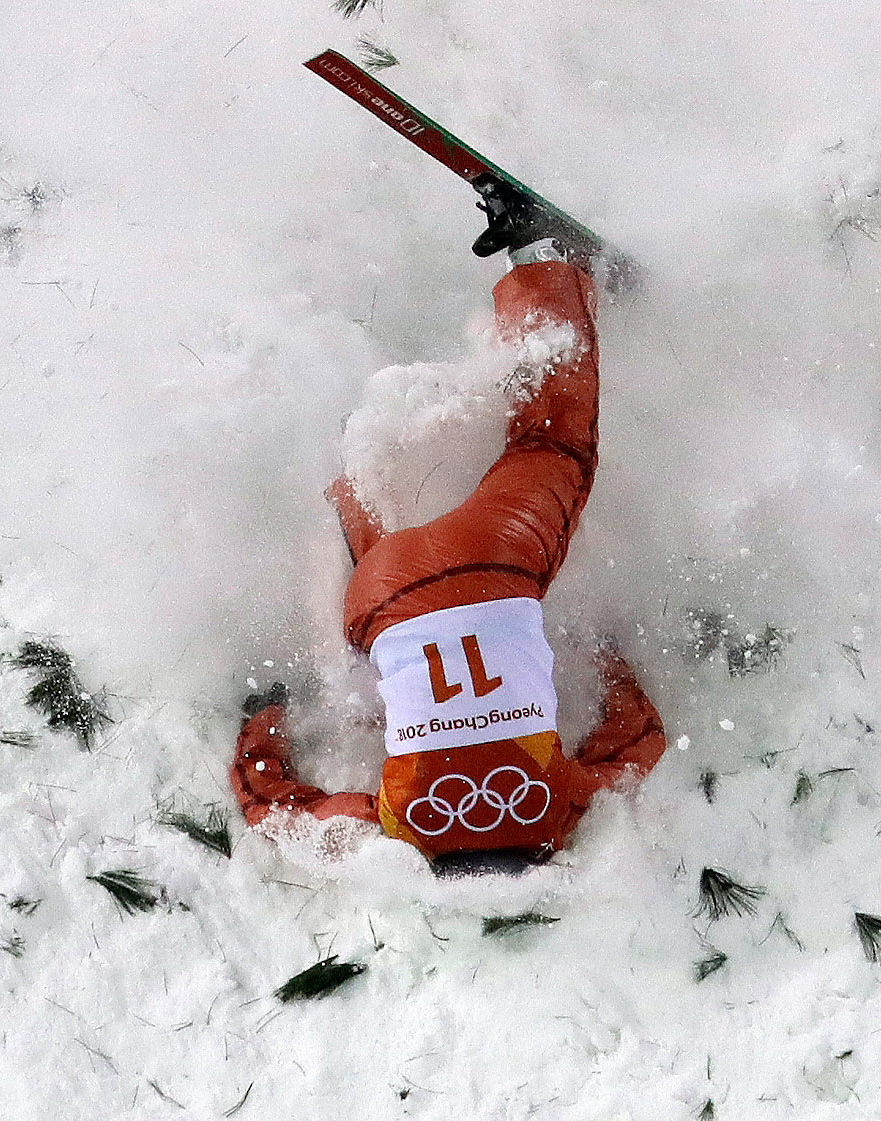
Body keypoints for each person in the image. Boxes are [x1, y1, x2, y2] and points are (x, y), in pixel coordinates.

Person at [230, 221, 665, 873]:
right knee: (370, 638)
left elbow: (636, 743)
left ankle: (544, 267)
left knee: (555, 448)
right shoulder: (404, 823)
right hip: (386, 590)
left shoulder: (554, 812)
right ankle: (348, 455)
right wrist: (263, 721)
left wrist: (611, 658)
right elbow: (283, 809)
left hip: (495, 557)